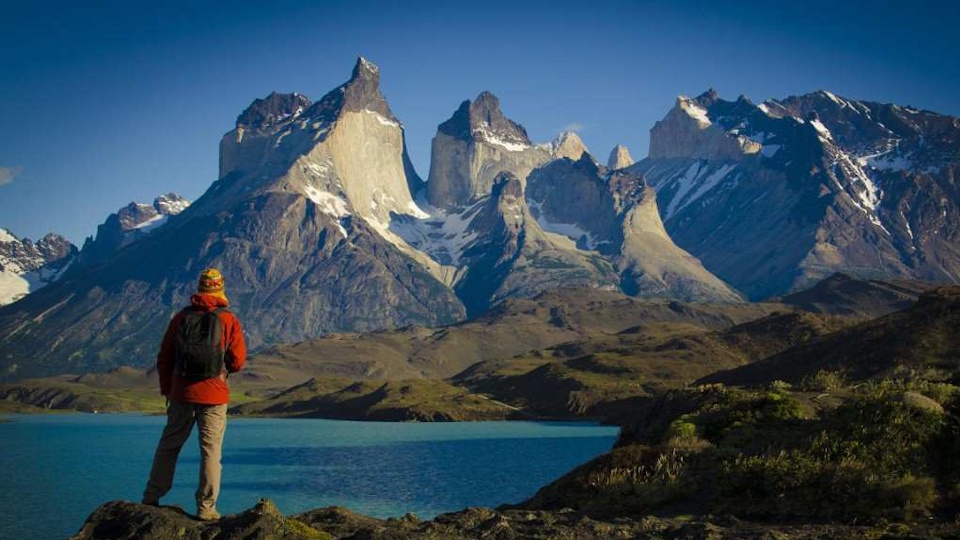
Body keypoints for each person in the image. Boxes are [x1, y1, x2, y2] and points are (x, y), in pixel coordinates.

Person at [142, 268, 247, 521]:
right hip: (214, 396)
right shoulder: (228, 319)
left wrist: (168, 390)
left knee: (169, 446)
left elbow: (165, 357)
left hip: (181, 394)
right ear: (220, 290)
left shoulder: (180, 317)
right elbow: (238, 361)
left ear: (199, 288)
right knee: (210, 452)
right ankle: (206, 507)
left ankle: (151, 496)